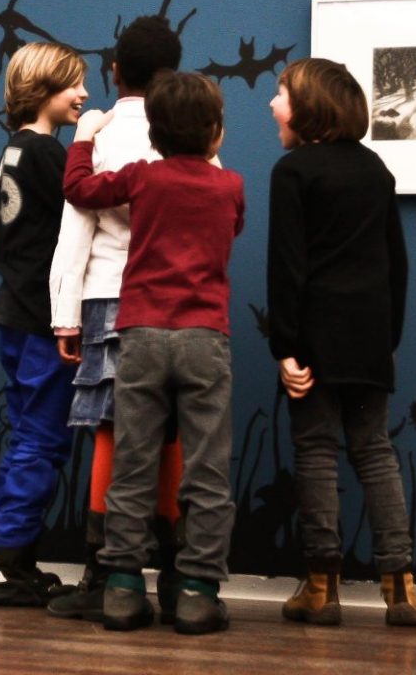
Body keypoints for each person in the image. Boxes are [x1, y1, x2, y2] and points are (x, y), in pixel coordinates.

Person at [63, 71, 244, 636]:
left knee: (132, 461)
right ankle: (196, 593)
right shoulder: (231, 185)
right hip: (204, 337)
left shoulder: (142, 176)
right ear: (215, 132)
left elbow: (80, 190)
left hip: (139, 333)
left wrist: (85, 139)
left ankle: (121, 589)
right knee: (206, 467)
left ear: (155, 135)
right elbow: (232, 229)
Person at [266, 58, 416, 626]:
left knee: (315, 450)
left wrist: (284, 346)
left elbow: (287, 267)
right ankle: (401, 589)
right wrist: (388, 338)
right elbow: (396, 263)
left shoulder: (293, 172)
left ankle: (321, 588)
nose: (273, 105)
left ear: (308, 108)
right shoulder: (376, 168)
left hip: (314, 336)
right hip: (370, 335)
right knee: (375, 451)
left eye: (281, 94)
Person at [45, 15, 186, 623]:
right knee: (171, 433)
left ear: (115, 72)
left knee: (109, 431)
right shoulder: (188, 130)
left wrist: (65, 316)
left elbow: (75, 230)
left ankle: (102, 576)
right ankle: (178, 578)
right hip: (176, 301)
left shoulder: (98, 135)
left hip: (108, 295)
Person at [0, 42, 88, 606]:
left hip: (14, 313)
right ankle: (10, 565)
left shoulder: (14, 150)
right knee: (41, 441)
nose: (84, 94)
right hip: (42, 319)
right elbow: (89, 203)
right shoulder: (47, 153)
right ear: (43, 89)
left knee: (28, 437)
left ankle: (10, 560)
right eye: (73, 84)